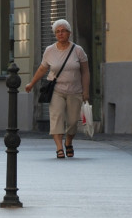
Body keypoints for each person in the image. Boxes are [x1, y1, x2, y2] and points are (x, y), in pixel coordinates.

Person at [25, 19, 90, 158]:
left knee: (73, 122)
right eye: (58, 31)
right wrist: (31, 83)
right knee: (56, 117)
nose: (60, 34)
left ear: (69, 33)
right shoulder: (50, 50)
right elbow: (43, 69)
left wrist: (86, 91)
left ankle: (68, 141)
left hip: (75, 91)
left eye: (63, 31)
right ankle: (59, 148)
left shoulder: (78, 51)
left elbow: (85, 72)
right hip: (56, 91)